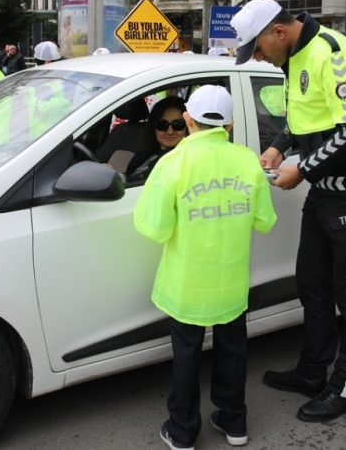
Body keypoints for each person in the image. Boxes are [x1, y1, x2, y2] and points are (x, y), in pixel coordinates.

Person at [231, 0, 346, 422]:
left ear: (278, 32)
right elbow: (302, 119)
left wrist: (301, 168)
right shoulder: (294, 58)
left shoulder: (337, 55)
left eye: (260, 49)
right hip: (326, 190)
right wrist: (277, 146)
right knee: (312, 283)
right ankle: (311, 371)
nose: (261, 59)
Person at [134, 85, 276, 450]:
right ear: (229, 125)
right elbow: (264, 220)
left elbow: (155, 227)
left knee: (186, 356)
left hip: (187, 286)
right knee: (233, 350)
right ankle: (234, 423)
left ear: (187, 120)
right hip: (230, 282)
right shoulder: (246, 160)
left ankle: (182, 432)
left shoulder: (173, 163)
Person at [126, 96, 188, 179]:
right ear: (153, 127)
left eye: (178, 125)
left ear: (188, 126)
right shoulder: (145, 154)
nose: (170, 132)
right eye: (162, 125)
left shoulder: (185, 161)